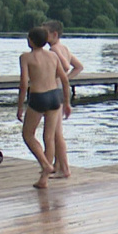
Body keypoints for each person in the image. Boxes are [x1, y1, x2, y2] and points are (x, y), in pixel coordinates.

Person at [17, 27, 71, 189]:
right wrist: (67, 102)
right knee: (49, 137)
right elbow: (65, 80)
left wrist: (20, 106)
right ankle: (44, 180)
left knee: (28, 134)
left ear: (31, 40)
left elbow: (24, 83)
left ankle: (45, 164)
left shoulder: (26, 57)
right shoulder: (53, 56)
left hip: (39, 96)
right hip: (55, 95)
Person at [45, 20, 83, 179]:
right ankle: (57, 165)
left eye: (45, 33)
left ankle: (64, 169)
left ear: (54, 34)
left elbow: (67, 66)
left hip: (55, 90)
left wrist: (61, 77)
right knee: (55, 130)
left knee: (56, 132)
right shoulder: (65, 48)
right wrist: (66, 79)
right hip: (60, 89)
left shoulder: (54, 49)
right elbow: (79, 66)